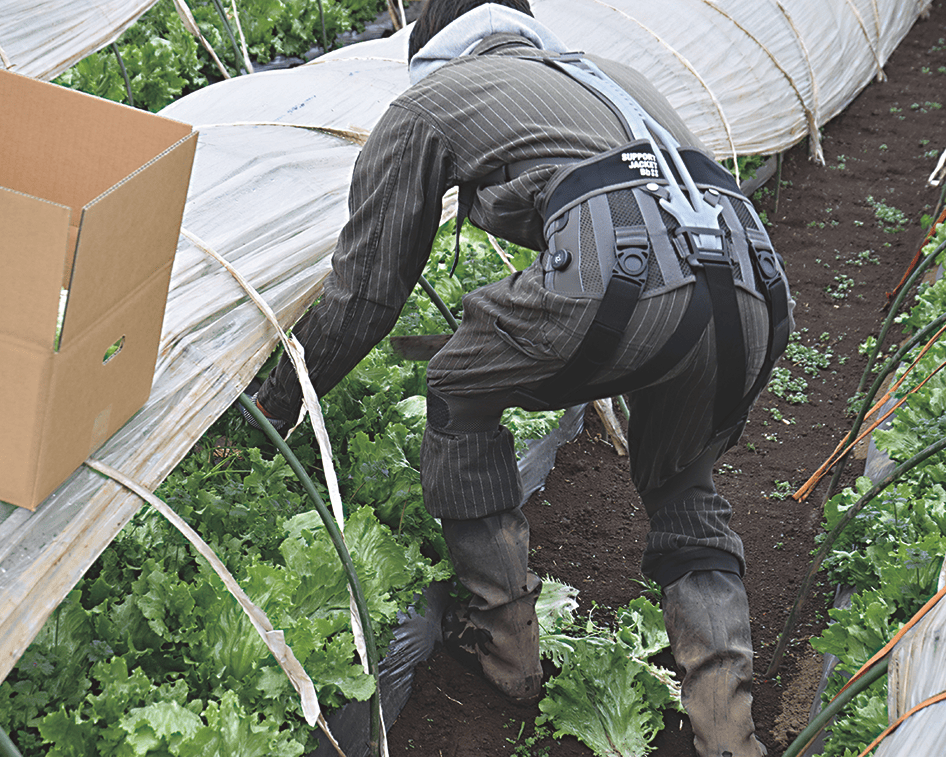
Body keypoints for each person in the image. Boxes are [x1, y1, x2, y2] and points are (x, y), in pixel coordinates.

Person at [244, 2, 792, 755]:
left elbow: (365, 291)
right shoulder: (606, 76)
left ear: (431, 46)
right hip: (754, 294)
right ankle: (726, 727)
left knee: (457, 385)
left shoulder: (430, 102)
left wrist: (276, 405)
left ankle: (506, 649)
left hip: (624, 276)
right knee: (683, 484)